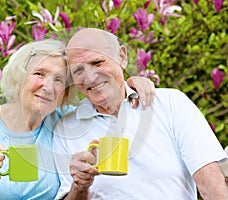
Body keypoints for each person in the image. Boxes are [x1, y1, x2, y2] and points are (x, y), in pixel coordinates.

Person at [0, 39, 155, 200]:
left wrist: (132, 84)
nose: (48, 87)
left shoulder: (65, 121)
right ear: (19, 76)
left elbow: (106, 101)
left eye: (59, 80)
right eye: (39, 74)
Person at [52, 28, 228, 200]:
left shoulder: (171, 104)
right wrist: (79, 186)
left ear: (121, 57)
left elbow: (210, 182)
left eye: (98, 63)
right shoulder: (66, 128)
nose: (89, 78)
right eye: (78, 70)